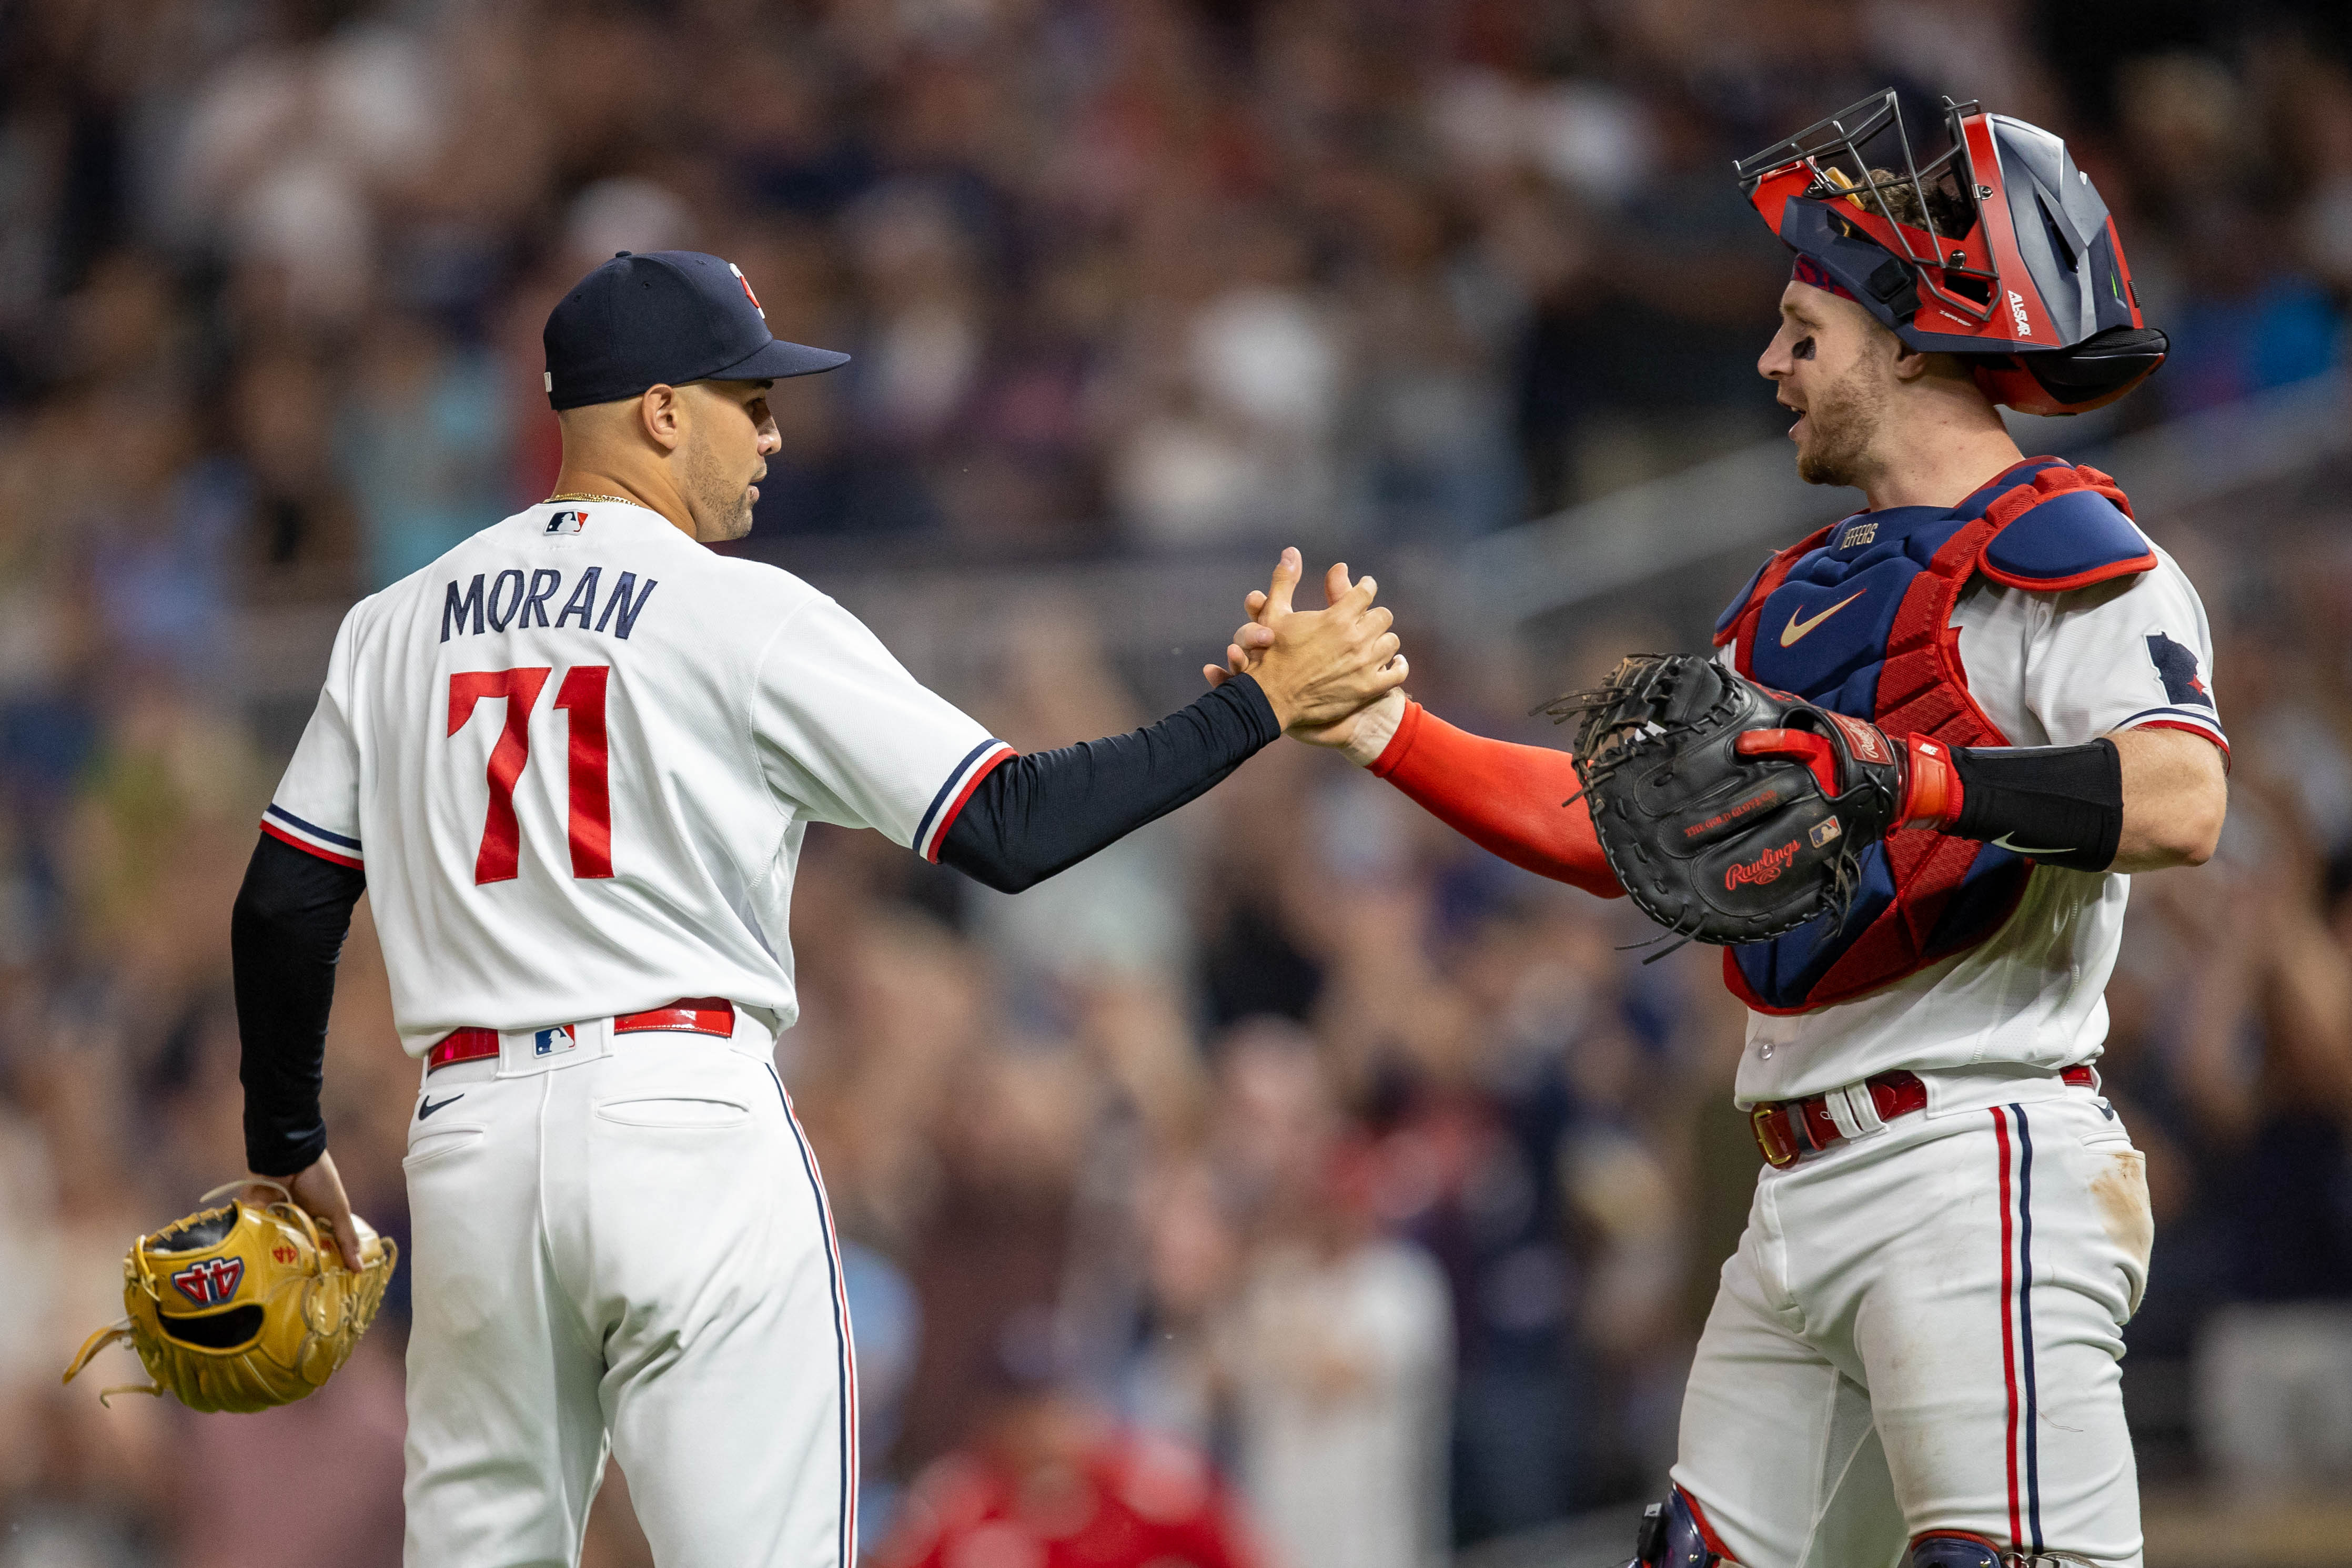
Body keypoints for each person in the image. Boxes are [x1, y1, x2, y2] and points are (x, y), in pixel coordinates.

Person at [229, 248, 1407, 1567]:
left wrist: (285, 1138)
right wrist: (1253, 710)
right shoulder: (738, 613)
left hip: (469, 1147)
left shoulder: (391, 627)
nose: (779, 434)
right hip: (683, 1117)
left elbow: (284, 903)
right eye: (754, 399)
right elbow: (1012, 829)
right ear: (661, 411)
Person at [1214, 95, 2224, 1568]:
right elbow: (1616, 824)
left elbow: (2184, 803)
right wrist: (1381, 727)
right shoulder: (1801, 596)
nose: (1769, 361)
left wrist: (1917, 779)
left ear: (1916, 340)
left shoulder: (2074, 554)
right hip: (1799, 1179)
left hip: (1976, 1153)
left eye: (1804, 331)